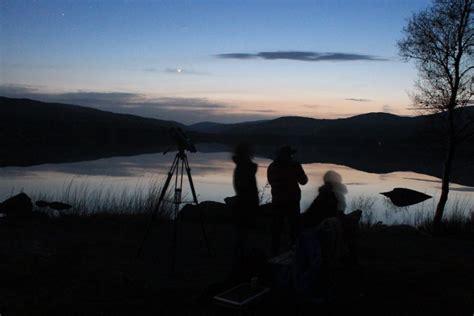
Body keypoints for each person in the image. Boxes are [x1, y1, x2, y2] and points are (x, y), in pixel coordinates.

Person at [267, 145, 308, 255]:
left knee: (277, 226)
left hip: (277, 200)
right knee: (294, 226)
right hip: (292, 200)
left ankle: (274, 250)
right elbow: (303, 181)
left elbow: (271, 181)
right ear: (290, 155)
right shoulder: (295, 165)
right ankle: (294, 249)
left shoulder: (272, 166)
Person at [231, 142, 259, 279]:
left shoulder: (241, 167)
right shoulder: (245, 168)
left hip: (243, 204)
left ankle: (241, 260)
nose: (252, 153)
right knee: (245, 234)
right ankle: (242, 263)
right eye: (250, 152)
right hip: (246, 204)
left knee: (242, 234)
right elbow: (246, 187)